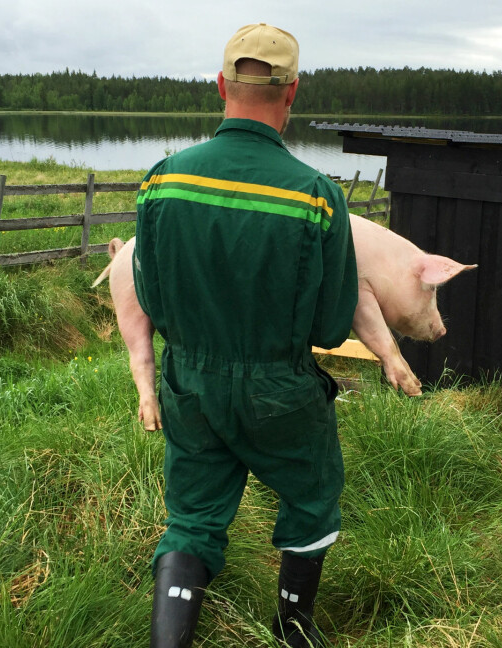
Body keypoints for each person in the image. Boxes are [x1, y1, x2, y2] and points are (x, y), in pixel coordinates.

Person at [133, 22, 359, 648]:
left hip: (190, 384)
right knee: (311, 501)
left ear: (219, 86)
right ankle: (294, 630)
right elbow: (333, 325)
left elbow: (151, 300)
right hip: (280, 389)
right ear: (293, 94)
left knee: (193, 519)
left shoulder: (162, 182)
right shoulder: (318, 198)